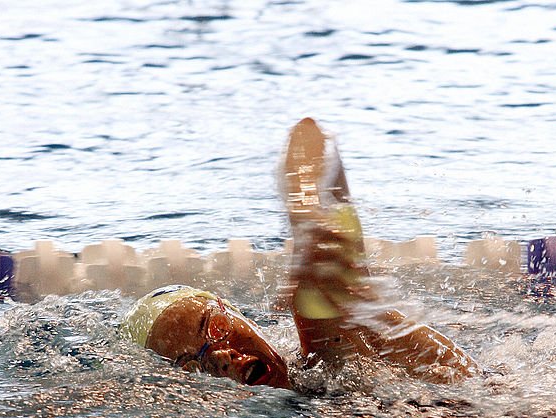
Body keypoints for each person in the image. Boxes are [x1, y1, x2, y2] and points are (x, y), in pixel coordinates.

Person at [120, 118, 478, 388]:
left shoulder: (327, 346)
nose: (219, 354)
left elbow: (309, 137)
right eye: (189, 364)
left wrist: (306, 219)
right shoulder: (306, 390)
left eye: (213, 327)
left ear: (234, 311)